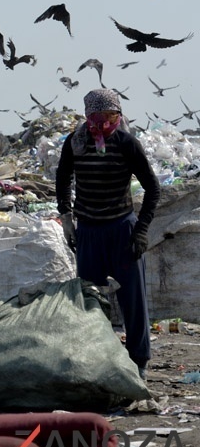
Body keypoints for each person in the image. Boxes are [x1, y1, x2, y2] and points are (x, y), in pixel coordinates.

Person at [56, 88, 160, 379]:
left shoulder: (127, 143)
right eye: (96, 118)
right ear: (87, 117)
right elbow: (63, 178)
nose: (103, 124)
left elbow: (153, 188)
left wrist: (140, 231)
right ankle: (96, 359)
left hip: (121, 229)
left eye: (110, 117)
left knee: (133, 300)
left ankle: (138, 362)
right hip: (88, 230)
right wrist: (66, 217)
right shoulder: (75, 143)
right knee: (91, 300)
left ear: (119, 116)